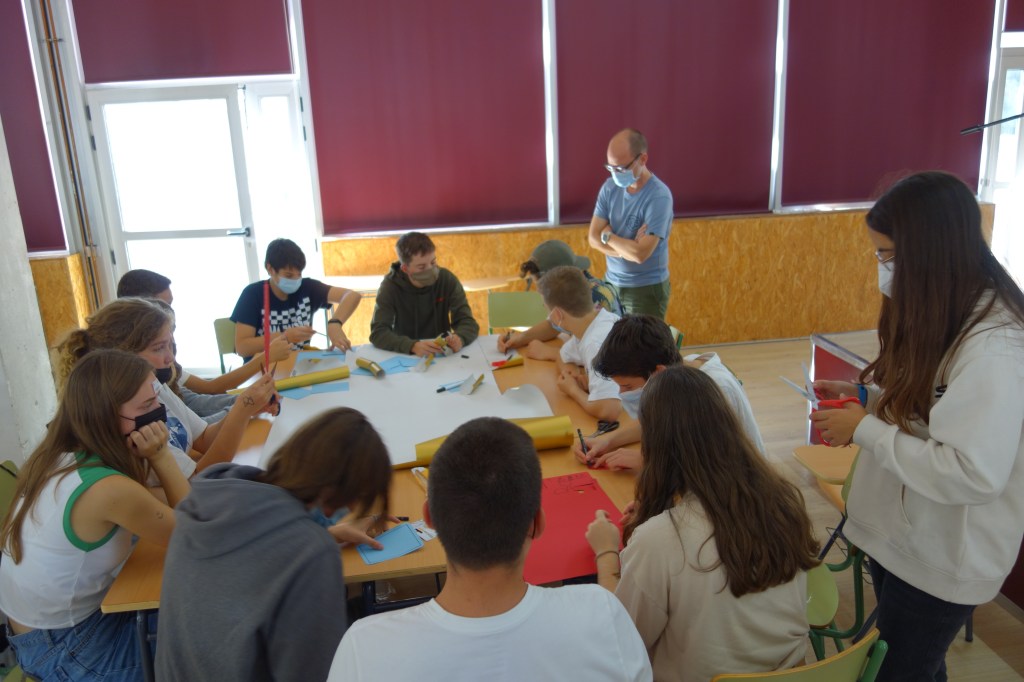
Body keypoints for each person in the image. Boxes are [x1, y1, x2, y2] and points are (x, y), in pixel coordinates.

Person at [810, 171, 1024, 682]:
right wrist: (871, 400)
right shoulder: (946, 309)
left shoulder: (994, 346)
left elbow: (971, 472)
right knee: (917, 668)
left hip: (942, 556)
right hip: (903, 536)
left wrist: (865, 429)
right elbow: (934, 411)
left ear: (930, 253)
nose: (882, 269)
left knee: (897, 671)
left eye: (888, 255)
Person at [327, 417, 652, 682]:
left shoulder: (364, 646)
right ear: (537, 523)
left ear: (430, 517)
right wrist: (607, 556)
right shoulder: (603, 612)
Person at [586, 366, 818, 682]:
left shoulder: (661, 540)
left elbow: (621, 641)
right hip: (794, 673)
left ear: (656, 446)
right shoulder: (783, 501)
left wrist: (606, 552)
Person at [156, 407, 393, 682]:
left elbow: (249, 564)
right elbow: (312, 673)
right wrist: (317, 540)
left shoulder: (205, 500)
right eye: (353, 500)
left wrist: (324, 534)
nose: (349, 510)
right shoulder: (310, 553)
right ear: (335, 491)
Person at [0, 349, 191, 681]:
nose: (158, 413)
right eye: (146, 406)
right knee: (216, 634)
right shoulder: (108, 489)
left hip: (38, 634)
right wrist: (161, 456)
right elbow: (192, 536)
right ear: (105, 415)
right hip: (68, 649)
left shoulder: (60, 456)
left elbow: (153, 501)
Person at [56, 297, 278, 474]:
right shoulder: (129, 417)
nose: (170, 358)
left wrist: (245, 407)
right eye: (159, 348)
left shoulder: (155, 387)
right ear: (122, 356)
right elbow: (199, 479)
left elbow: (203, 438)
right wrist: (242, 409)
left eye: (170, 345)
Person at [574, 315, 765, 471]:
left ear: (658, 372)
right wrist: (608, 442)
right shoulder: (679, 370)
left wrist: (649, 464)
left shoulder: (713, 392)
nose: (622, 394)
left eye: (628, 387)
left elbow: (716, 467)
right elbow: (656, 421)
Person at [116, 270, 289, 423]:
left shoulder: (163, 365)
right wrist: (245, 406)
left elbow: (192, 403)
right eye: (165, 307)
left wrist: (248, 402)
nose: (170, 357)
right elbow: (196, 427)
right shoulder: (135, 384)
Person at [587, 129, 673, 318]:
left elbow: (640, 254)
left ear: (642, 159)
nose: (615, 174)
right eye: (610, 168)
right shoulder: (609, 188)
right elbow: (593, 238)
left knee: (639, 338)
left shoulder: (659, 196)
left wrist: (608, 236)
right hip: (611, 284)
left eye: (621, 169)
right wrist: (626, 250)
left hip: (645, 289)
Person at [231, 238, 361, 359]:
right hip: (263, 368)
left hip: (299, 365)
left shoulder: (308, 288)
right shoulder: (253, 294)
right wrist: (284, 336)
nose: (295, 280)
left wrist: (335, 323)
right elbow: (242, 348)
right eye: (288, 275)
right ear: (270, 269)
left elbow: (352, 296)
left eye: (299, 274)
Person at [526, 265, 621, 422]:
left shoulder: (595, 343)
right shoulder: (593, 323)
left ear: (557, 315)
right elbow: (563, 356)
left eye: (546, 309)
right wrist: (574, 376)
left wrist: (573, 390)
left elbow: (609, 410)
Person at [498, 239, 622, 355]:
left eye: (541, 287)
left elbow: (597, 353)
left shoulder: (594, 296)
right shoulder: (573, 289)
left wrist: (549, 352)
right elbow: (554, 325)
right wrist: (520, 338)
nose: (540, 292)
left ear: (558, 280)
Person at [369, 231, 480, 356]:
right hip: (406, 355)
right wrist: (412, 346)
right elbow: (378, 333)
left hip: (443, 353)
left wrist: (460, 338)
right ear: (405, 269)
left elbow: (468, 322)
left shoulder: (446, 279)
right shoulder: (390, 286)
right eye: (421, 267)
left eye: (433, 262)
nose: (430, 270)